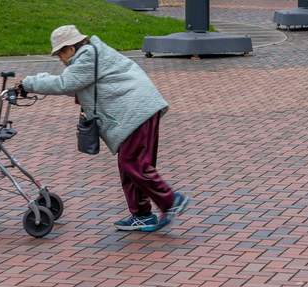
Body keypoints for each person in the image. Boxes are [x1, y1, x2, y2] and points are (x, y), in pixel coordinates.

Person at [18, 25, 190, 233]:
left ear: (71, 48)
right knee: (129, 165)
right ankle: (142, 215)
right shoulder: (89, 56)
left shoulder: (88, 57)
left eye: (61, 53)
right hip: (137, 110)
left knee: (134, 163)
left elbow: (65, 83)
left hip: (136, 111)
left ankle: (171, 201)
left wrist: (27, 84)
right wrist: (36, 80)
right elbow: (71, 83)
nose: (61, 59)